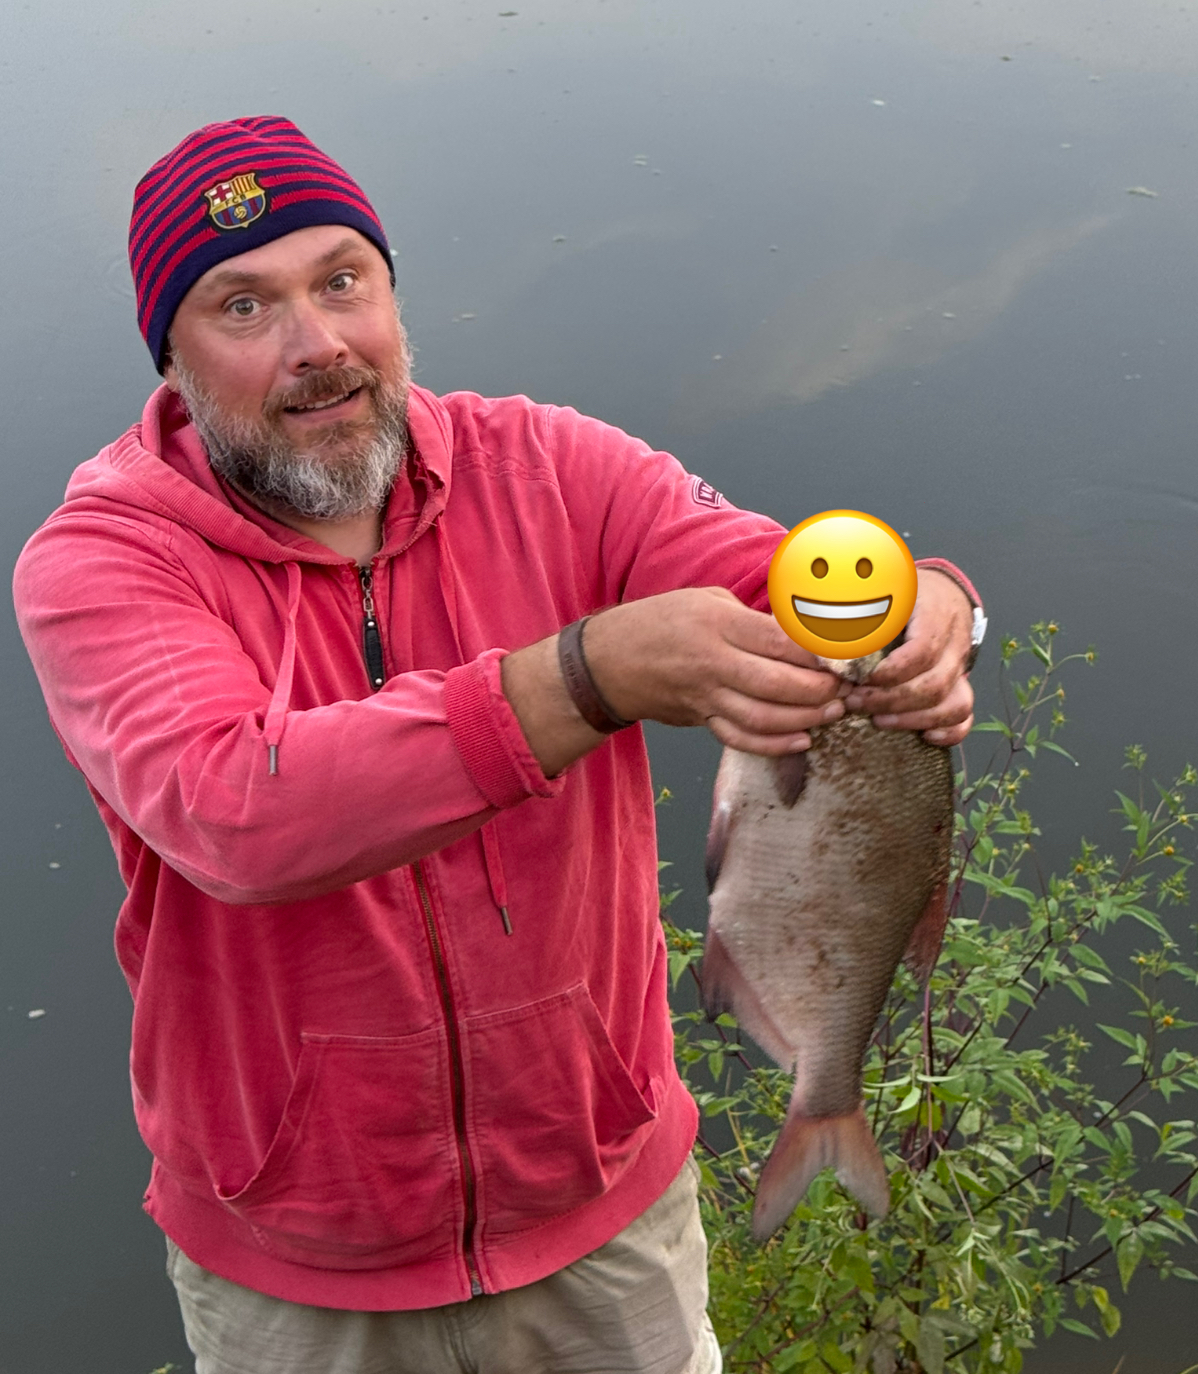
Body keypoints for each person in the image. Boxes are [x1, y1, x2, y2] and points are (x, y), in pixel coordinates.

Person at [13, 117, 982, 1374]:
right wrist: (584, 676)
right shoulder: (104, 561)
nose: (317, 347)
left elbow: (788, 583)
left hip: (603, 1214)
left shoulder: (555, 467)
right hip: (303, 1269)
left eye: (341, 283)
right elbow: (234, 812)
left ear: (393, 294)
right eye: (242, 307)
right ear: (173, 358)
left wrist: (933, 606)